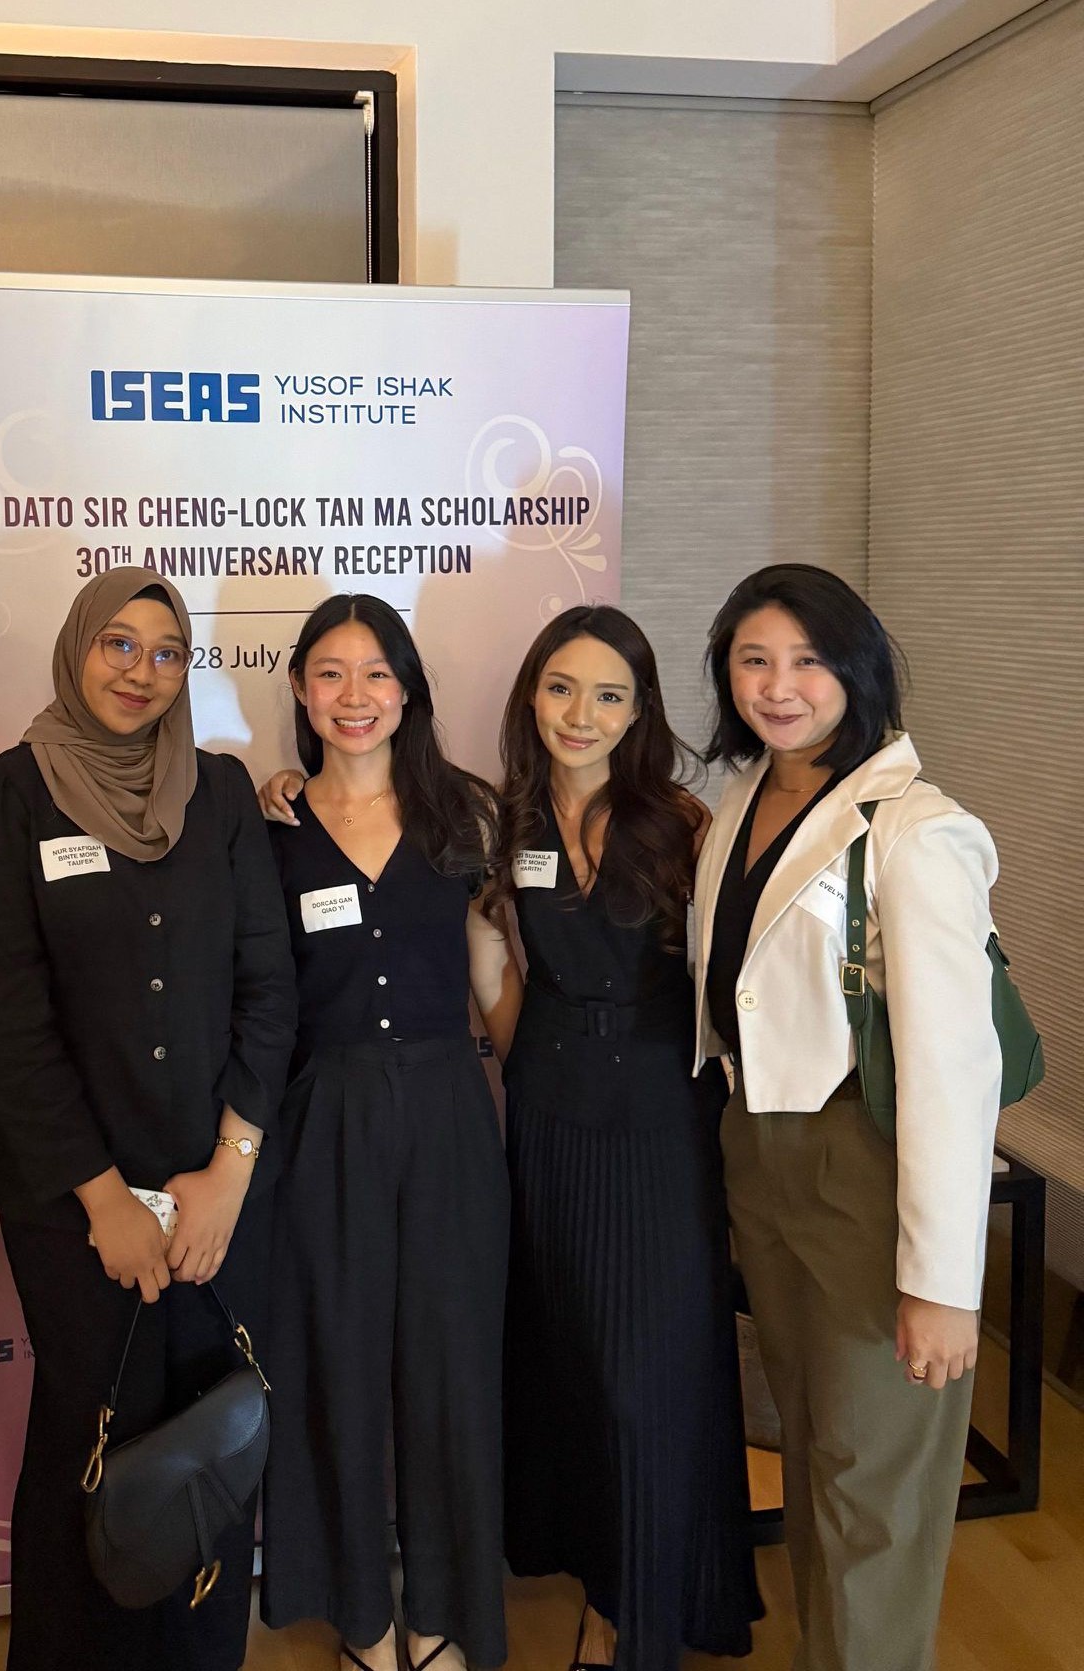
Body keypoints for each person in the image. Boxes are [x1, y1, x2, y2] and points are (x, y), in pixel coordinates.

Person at [0, 567, 296, 1671]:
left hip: (216, 1191)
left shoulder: (221, 792)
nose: (142, 672)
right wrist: (105, 1200)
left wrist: (230, 1171)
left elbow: (268, 987)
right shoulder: (8, 798)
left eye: (167, 652)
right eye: (119, 644)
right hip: (72, 1202)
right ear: (77, 648)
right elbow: (6, 1022)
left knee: (210, 1430)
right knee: (87, 1434)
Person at [693, 563, 1002, 1671]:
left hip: (865, 1160)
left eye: (809, 660)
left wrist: (943, 1283)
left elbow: (953, 1068)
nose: (779, 686)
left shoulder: (916, 828)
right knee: (816, 1449)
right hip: (762, 1151)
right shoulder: (743, 801)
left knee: (875, 1481)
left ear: (858, 669)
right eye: (754, 660)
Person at [256, 594, 520, 1671]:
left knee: (453, 1369)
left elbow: (493, 972)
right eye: (330, 672)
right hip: (324, 1118)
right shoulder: (268, 827)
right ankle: (362, 1615)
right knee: (338, 1366)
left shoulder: (467, 815)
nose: (354, 695)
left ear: (408, 690)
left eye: (377, 673)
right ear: (301, 690)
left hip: (451, 1110)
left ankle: (444, 1611)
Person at [496, 605, 761, 1670]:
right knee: (571, 1361)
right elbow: (503, 979)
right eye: (562, 687)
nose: (582, 713)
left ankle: (638, 1618)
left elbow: (731, 984)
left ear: (640, 708)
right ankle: (605, 1579)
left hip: (659, 1118)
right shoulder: (507, 822)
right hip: (549, 1114)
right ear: (531, 693)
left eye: (610, 694)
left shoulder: (681, 823)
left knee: (648, 1373)